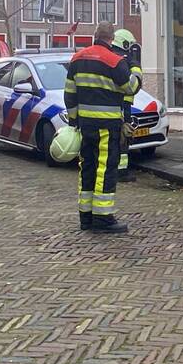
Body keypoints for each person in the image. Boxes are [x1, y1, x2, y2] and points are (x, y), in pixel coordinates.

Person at [64, 22, 139, 234]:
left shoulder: (77, 59)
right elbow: (131, 87)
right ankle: (103, 219)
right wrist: (135, 68)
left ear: (95, 36)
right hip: (107, 126)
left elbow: (69, 94)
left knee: (87, 167)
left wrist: (74, 121)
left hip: (85, 125)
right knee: (105, 170)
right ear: (111, 38)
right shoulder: (114, 61)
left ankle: (85, 217)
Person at [109, 28, 142, 183]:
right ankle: (122, 172)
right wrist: (134, 62)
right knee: (124, 137)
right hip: (125, 104)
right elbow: (137, 81)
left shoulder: (107, 56)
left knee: (110, 137)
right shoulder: (127, 60)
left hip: (108, 105)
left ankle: (109, 169)